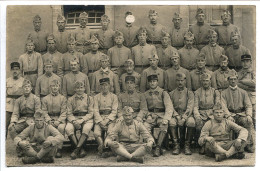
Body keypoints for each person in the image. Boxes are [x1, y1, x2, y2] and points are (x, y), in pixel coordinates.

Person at [221, 70, 254, 153]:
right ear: (228, 80)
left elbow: (248, 105)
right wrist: (228, 115)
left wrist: (249, 115)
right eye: (231, 79)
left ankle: (247, 144)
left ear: (237, 79)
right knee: (227, 124)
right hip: (230, 114)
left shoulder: (243, 92)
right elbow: (223, 106)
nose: (233, 81)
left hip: (240, 114)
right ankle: (231, 146)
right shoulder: (224, 93)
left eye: (234, 79)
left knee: (248, 122)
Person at [143, 74, 173, 157]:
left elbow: (169, 106)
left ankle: (158, 147)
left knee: (164, 126)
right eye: (150, 82)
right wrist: (148, 115)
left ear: (157, 82)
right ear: (148, 83)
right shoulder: (145, 94)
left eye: (154, 81)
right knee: (145, 127)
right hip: (151, 116)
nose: (152, 83)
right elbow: (144, 108)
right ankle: (155, 143)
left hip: (161, 115)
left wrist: (166, 118)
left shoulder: (163, 92)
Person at [65, 81, 94, 160]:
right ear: (75, 89)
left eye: (81, 87)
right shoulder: (70, 99)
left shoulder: (89, 98)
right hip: (74, 118)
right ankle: (81, 149)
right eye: (77, 88)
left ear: (84, 88)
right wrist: (74, 121)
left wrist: (82, 120)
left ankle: (76, 150)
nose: (80, 89)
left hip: (86, 118)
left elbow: (91, 113)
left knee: (86, 128)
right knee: (68, 128)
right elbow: (69, 113)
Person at [193, 73, 220, 154]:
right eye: (204, 81)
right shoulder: (197, 92)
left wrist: (214, 115)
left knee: (214, 126)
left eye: (207, 81)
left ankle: (214, 145)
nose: (205, 82)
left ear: (210, 81)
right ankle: (201, 145)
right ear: (201, 81)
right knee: (199, 125)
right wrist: (197, 116)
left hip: (212, 113)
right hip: (201, 113)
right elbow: (195, 106)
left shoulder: (215, 91)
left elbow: (217, 105)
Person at [168, 73, 195, 155]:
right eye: (178, 80)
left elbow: (190, 107)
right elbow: (170, 107)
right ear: (176, 81)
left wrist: (183, 118)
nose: (180, 82)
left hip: (187, 114)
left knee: (191, 122)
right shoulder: (171, 93)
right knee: (171, 122)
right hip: (175, 114)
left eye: (182, 80)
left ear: (185, 81)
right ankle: (176, 145)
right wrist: (176, 116)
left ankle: (187, 145)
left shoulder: (189, 93)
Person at [41, 79, 67, 158]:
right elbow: (44, 111)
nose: (55, 88)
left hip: (59, 119)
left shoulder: (63, 98)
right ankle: (48, 148)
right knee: (47, 128)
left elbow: (64, 112)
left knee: (61, 128)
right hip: (49, 118)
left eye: (56, 86)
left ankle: (59, 149)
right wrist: (48, 120)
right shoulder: (45, 99)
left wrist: (58, 121)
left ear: (59, 87)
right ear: (50, 87)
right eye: (53, 86)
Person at [93, 78, 118, 157]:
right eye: (102, 85)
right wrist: (100, 121)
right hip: (99, 118)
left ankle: (106, 147)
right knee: (96, 133)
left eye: (106, 85)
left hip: (110, 119)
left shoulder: (114, 97)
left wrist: (107, 120)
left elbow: (114, 111)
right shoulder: (96, 97)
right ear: (100, 87)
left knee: (110, 131)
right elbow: (95, 110)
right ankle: (102, 146)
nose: (104, 87)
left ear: (109, 86)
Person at [6, 62, 25, 138]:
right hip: (9, 105)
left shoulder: (23, 81)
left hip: (20, 105)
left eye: (17, 69)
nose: (15, 71)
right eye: (13, 69)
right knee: (4, 124)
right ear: (10, 70)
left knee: (20, 125)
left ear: (20, 70)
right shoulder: (7, 81)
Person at [237, 54, 256, 128]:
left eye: (247, 61)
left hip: (252, 97)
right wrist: (248, 84)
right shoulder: (239, 73)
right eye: (243, 61)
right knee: (244, 117)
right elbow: (236, 84)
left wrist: (241, 81)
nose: (245, 63)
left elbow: (254, 83)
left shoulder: (253, 72)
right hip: (242, 97)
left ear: (251, 62)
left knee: (254, 116)